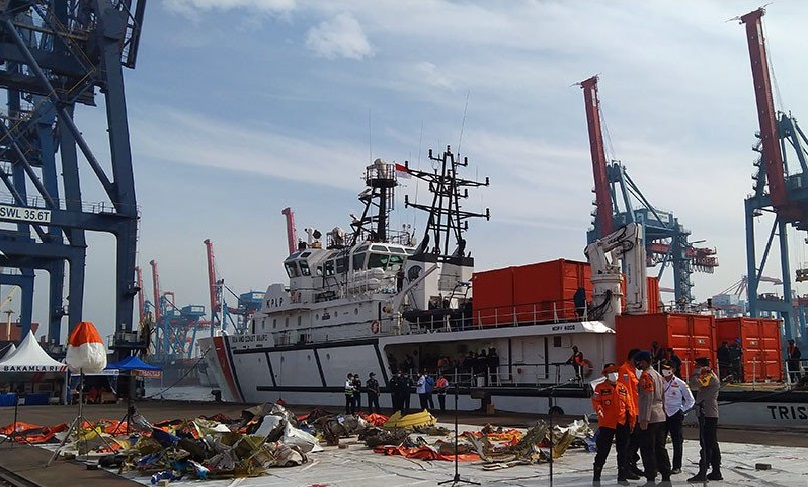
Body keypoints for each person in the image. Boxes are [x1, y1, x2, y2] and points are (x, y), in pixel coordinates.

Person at [591, 363, 634, 485]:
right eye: (611, 372)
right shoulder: (600, 388)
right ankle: (596, 477)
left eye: (615, 371)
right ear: (606, 374)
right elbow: (595, 400)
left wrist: (632, 423)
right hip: (607, 424)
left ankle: (622, 476)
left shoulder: (623, 388)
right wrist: (598, 408)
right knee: (603, 451)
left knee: (623, 451)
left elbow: (629, 406)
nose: (614, 374)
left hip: (622, 422)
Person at [635, 350, 672, 485]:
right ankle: (666, 475)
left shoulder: (646, 376)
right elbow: (663, 395)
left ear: (644, 362)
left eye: (639, 361)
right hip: (660, 415)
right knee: (660, 448)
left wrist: (644, 418)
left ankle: (651, 477)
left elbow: (647, 398)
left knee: (647, 449)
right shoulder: (657, 375)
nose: (638, 364)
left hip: (650, 417)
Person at [687, 357, 722, 482]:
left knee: (706, 443)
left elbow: (694, 384)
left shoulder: (707, 375)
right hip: (707, 411)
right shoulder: (708, 374)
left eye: (697, 365)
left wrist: (697, 372)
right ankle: (716, 470)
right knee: (712, 442)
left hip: (707, 412)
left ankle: (703, 471)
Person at [661, 362, 695, 475]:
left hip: (675, 414)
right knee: (660, 442)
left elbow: (690, 400)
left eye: (668, 368)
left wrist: (682, 410)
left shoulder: (680, 383)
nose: (665, 371)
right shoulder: (660, 382)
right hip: (662, 414)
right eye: (663, 369)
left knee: (677, 442)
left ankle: (677, 466)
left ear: (673, 369)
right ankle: (661, 465)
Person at [619, 348, 643, 480]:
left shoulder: (632, 371)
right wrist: (631, 414)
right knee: (629, 443)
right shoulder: (625, 371)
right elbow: (626, 394)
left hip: (636, 410)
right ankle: (626, 468)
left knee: (635, 442)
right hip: (630, 412)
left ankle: (632, 464)